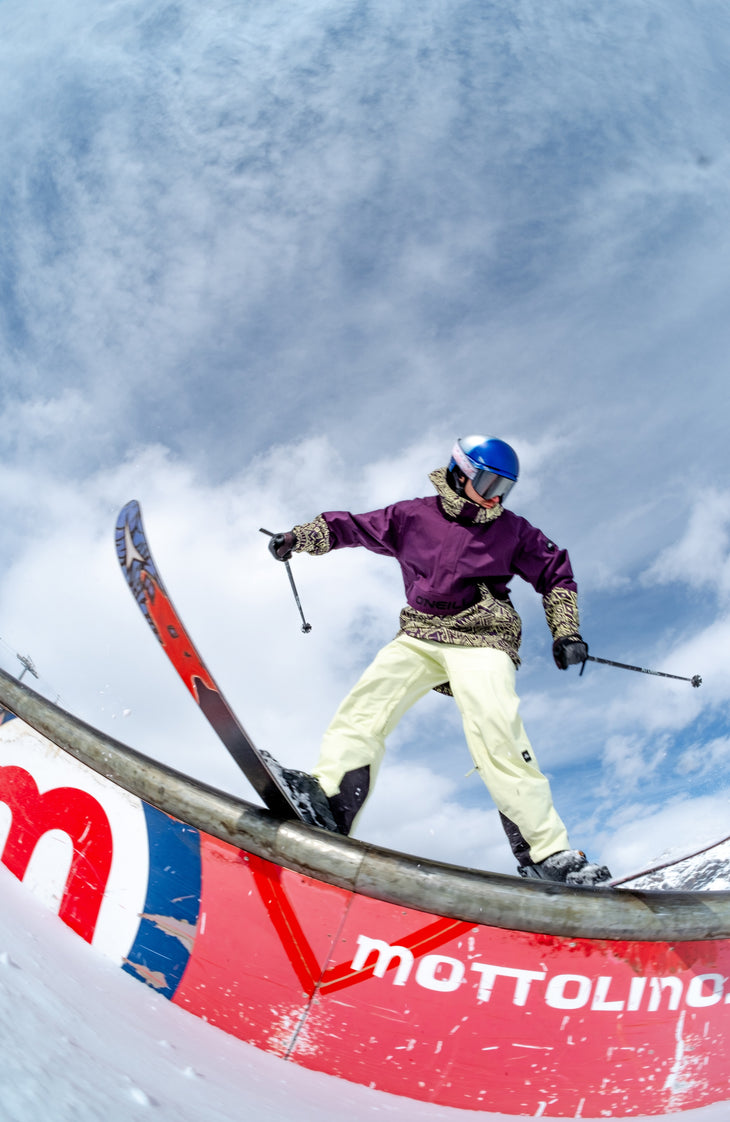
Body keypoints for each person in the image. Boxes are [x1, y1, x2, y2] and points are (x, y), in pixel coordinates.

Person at [268, 435, 611, 887]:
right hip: (421, 632)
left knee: (495, 726)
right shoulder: (411, 516)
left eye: (504, 489)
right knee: (365, 706)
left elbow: (555, 573)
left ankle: (546, 852)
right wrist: (300, 537)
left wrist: (567, 631)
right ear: (459, 471)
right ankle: (329, 804)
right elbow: (348, 526)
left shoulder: (512, 530)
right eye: (487, 481)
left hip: (485, 638)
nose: (493, 496)